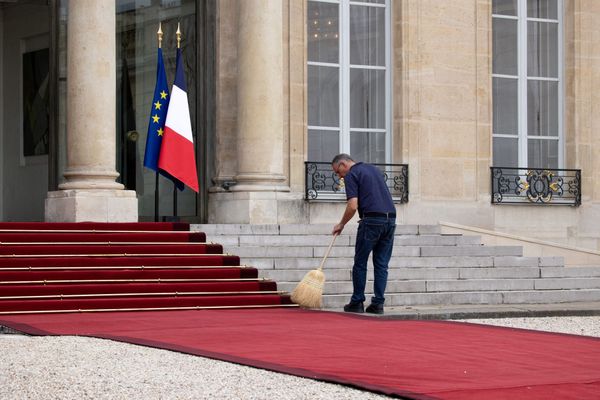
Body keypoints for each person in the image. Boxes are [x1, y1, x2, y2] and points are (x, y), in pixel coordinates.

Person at [331, 153, 396, 315]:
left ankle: (357, 301)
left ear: (342, 165)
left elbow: (353, 206)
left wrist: (341, 224)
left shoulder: (352, 174)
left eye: (337, 172)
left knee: (360, 262)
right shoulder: (373, 169)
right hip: (390, 219)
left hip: (371, 220)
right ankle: (378, 304)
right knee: (381, 264)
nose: (339, 176)